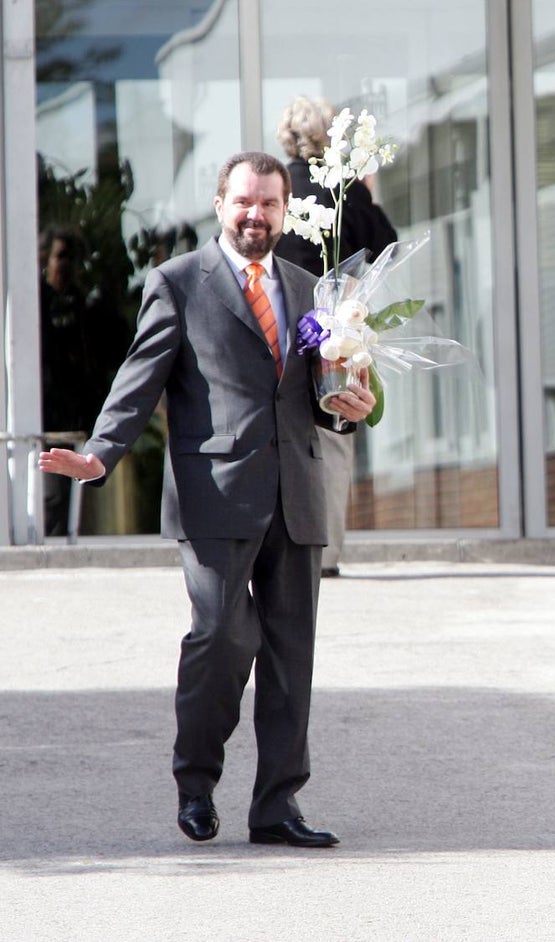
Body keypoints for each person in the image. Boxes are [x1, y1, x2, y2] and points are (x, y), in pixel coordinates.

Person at [39, 151, 376, 847]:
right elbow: (140, 379)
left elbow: (322, 399)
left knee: (291, 655)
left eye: (270, 204)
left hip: (298, 493)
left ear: (285, 212)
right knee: (222, 635)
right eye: (244, 202)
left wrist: (352, 407)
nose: (257, 214)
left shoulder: (311, 288)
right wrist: (101, 455)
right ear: (221, 204)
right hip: (215, 493)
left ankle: (277, 807)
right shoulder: (178, 282)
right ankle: (196, 783)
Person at [276, 95, 399, 577]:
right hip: (335, 324)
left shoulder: (275, 190)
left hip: (281, 325)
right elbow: (386, 242)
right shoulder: (342, 190)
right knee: (334, 430)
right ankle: (324, 554)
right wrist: (366, 189)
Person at [38, 226, 130, 535]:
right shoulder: (35, 305)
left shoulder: (85, 307)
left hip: (79, 417)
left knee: (75, 501)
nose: (66, 265)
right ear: (45, 260)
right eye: (60, 257)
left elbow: (115, 349)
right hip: (42, 420)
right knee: (49, 499)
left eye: (72, 258)